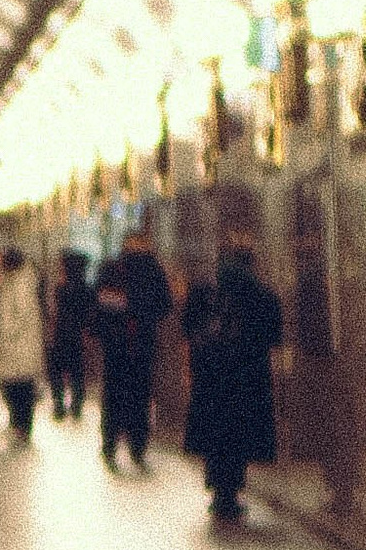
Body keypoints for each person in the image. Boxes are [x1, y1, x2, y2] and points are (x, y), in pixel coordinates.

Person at [183, 235, 284, 523]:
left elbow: (187, 327)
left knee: (215, 434)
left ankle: (219, 489)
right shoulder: (262, 295)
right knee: (239, 435)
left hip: (211, 377)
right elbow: (274, 336)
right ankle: (231, 490)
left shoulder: (205, 291)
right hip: (247, 379)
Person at [93, 220, 175, 469]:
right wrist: (142, 311)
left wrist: (123, 307)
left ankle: (111, 446)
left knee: (114, 395)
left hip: (118, 343)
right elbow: (164, 305)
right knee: (139, 396)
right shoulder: (154, 270)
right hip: (142, 342)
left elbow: (100, 301)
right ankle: (136, 448)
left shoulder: (112, 268)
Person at [0, 245, 49, 439]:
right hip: (12, 345)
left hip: (20, 344)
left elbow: (22, 314)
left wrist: (5, 334)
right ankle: (17, 422)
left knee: (21, 387)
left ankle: (23, 425)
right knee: (12, 385)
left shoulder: (22, 282)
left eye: (0, 260)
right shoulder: (11, 280)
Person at [47, 250, 94, 420]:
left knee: (57, 371)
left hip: (62, 333)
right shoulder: (87, 289)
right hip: (78, 334)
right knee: (77, 372)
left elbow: (56, 312)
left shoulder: (61, 289)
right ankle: (76, 407)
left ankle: (59, 406)